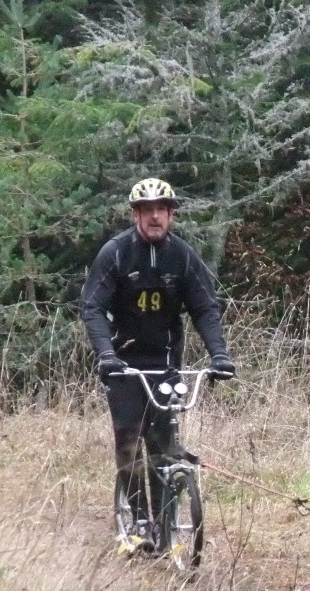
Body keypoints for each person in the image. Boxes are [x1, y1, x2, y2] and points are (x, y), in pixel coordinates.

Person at [81, 177, 235, 543]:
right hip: (123, 364)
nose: (154, 217)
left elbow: (205, 308)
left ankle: (165, 525)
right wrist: (105, 353)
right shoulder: (116, 253)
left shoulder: (181, 256)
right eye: (146, 210)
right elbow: (93, 308)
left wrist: (220, 355)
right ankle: (137, 521)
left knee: (164, 441)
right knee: (130, 440)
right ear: (136, 215)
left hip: (165, 363)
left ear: (171, 215)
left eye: (161, 210)